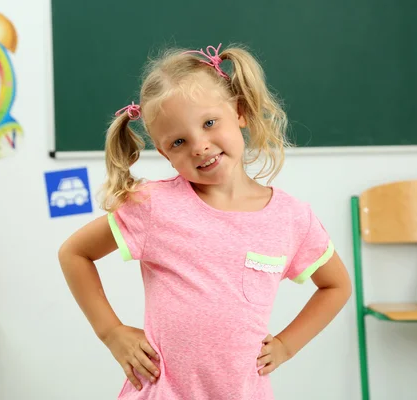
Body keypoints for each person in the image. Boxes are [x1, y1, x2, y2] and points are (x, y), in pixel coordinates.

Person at [58, 43, 352, 400]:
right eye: (179, 141)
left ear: (239, 113)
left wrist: (287, 346)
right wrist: (111, 332)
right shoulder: (154, 205)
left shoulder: (291, 218)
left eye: (210, 123)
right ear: (165, 154)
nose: (199, 146)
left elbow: (336, 286)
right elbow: (74, 253)